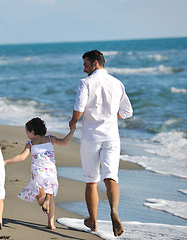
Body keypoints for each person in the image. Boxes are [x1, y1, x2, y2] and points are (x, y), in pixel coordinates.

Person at [69, 50, 133, 237]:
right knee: (110, 177)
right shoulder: (117, 83)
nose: (84, 70)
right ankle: (114, 211)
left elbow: (79, 108)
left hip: (91, 137)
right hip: (112, 136)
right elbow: (127, 112)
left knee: (91, 180)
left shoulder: (86, 83)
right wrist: (111, 115)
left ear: (95, 63)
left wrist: (73, 122)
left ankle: (93, 221)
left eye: (86, 65)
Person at [4, 117, 75, 230]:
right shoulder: (50, 139)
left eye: (27, 132)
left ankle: (44, 201)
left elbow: (22, 157)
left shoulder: (31, 144)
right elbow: (64, 142)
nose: (27, 135)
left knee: (40, 199)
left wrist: (7, 161)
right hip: (51, 172)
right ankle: (51, 224)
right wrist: (72, 131)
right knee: (50, 198)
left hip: (38, 173)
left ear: (32, 132)